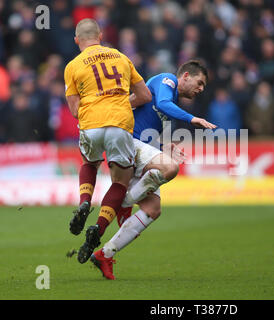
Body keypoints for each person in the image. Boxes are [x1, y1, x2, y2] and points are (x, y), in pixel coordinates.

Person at [90, 60, 217, 279]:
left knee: (153, 210)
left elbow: (155, 129)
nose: (201, 89)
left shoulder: (171, 107)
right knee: (169, 168)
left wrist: (166, 147)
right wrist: (193, 118)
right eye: (200, 83)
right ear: (185, 75)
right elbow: (164, 104)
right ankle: (125, 201)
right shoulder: (165, 80)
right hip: (129, 143)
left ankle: (105, 254)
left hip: (141, 149)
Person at [64, 18, 152, 264]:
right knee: (120, 181)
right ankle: (99, 228)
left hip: (91, 123)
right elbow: (145, 95)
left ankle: (83, 203)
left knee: (90, 164)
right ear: (100, 36)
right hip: (119, 123)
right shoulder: (121, 57)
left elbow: (73, 110)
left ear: (76, 40)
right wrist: (121, 102)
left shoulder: (72, 65)